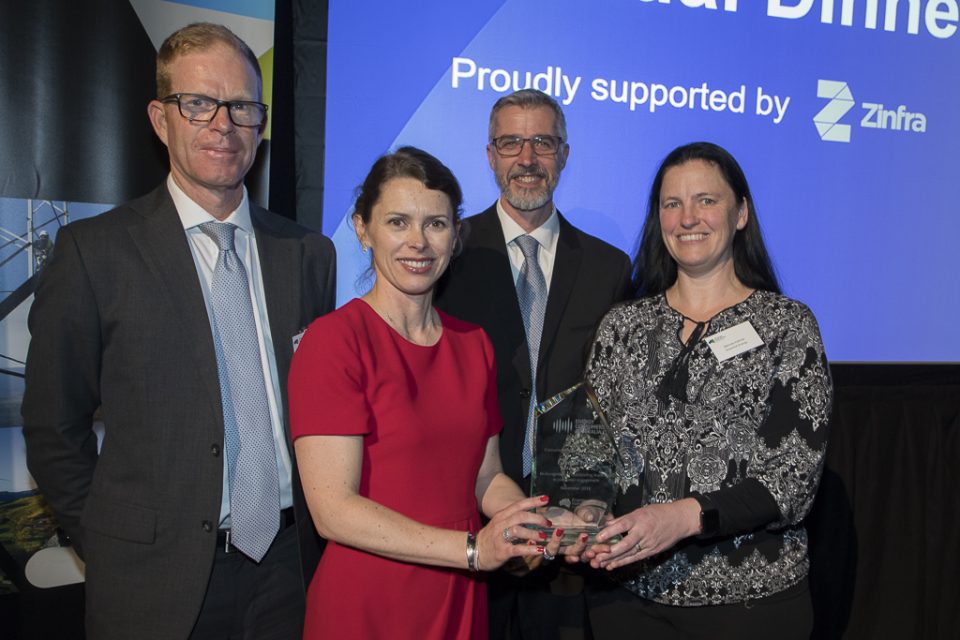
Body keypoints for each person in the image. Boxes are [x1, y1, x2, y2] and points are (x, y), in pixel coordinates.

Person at [21, 23, 336, 640]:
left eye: (242, 106)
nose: (224, 124)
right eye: (199, 103)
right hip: (151, 578)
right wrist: (111, 540)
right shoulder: (95, 253)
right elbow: (53, 427)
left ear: (261, 122)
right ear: (161, 119)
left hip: (289, 571)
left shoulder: (308, 254)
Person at [289, 146, 566, 640]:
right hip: (368, 604)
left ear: (456, 235)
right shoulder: (333, 342)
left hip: (458, 598)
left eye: (436, 224)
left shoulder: (472, 344)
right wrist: (473, 550)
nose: (418, 242)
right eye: (398, 222)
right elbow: (332, 511)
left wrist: (528, 521)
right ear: (362, 228)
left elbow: (485, 477)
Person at [581, 142, 832, 639]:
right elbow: (587, 448)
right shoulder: (622, 326)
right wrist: (587, 512)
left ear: (741, 213)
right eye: (671, 204)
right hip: (627, 602)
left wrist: (680, 518)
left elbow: (793, 482)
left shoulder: (787, 327)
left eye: (706, 200)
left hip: (750, 609)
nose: (687, 218)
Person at [435, 89, 632, 638]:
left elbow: (615, 399)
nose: (527, 158)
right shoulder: (448, 254)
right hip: (467, 525)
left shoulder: (608, 268)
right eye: (510, 142)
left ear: (564, 154)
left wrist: (592, 502)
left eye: (542, 142)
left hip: (571, 535)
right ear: (490, 155)